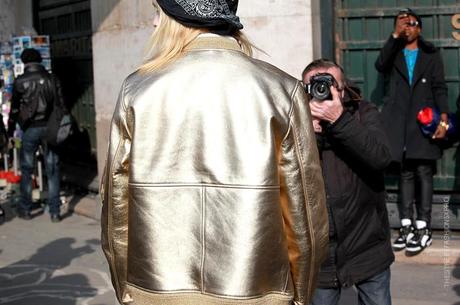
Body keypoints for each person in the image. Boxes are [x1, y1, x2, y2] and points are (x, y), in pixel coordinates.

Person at [100, 1, 329, 305]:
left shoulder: (137, 90)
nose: (154, 24)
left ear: (181, 16)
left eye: (158, 11)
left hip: (155, 292)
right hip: (257, 293)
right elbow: (305, 217)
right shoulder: (280, 90)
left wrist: (126, 291)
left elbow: (116, 207)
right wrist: (300, 296)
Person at [302, 59, 394, 305]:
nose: (324, 92)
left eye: (331, 86)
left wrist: (340, 120)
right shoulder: (296, 120)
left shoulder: (363, 113)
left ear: (343, 89)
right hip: (321, 256)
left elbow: (382, 158)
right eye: (316, 86)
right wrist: (307, 132)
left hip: (367, 246)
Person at [375, 8, 449, 253]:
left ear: (420, 28)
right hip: (399, 123)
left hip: (423, 121)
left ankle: (424, 226)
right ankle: (406, 225)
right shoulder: (394, 51)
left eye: (412, 23)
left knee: (423, 171)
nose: (408, 27)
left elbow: (440, 87)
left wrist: (444, 118)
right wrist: (394, 36)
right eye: (404, 24)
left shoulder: (430, 53)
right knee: (406, 172)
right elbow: (380, 65)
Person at [8, 48, 66, 222]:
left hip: (30, 129)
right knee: (53, 168)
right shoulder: (51, 78)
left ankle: (25, 208)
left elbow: (14, 109)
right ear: (40, 60)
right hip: (50, 128)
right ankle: (55, 212)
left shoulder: (20, 81)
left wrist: (11, 130)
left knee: (26, 168)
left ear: (24, 62)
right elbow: (61, 104)